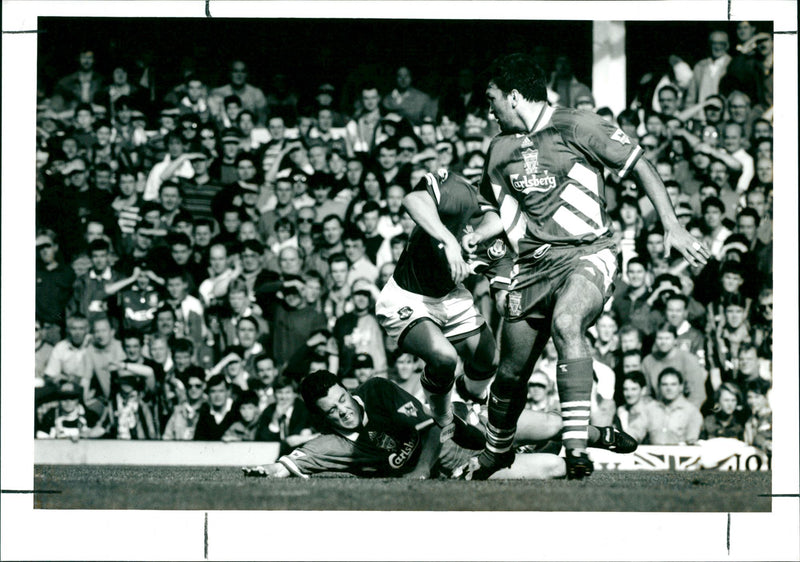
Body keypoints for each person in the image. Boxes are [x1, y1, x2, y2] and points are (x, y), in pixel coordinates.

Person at [461, 53, 709, 479]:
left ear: (515, 96)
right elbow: (496, 212)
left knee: (568, 322)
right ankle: (497, 451)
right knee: (509, 376)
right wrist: (477, 235)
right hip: (533, 266)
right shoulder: (499, 148)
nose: (489, 111)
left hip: (589, 252)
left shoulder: (579, 125)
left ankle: (577, 448)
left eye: (492, 100)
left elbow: (640, 166)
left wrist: (674, 227)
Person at [243, 370, 635, 480]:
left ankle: (598, 434)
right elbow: (298, 460)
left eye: (343, 400)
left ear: (347, 390)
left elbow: (429, 429)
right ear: (323, 416)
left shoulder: (377, 391)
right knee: (552, 468)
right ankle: (564, 459)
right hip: (462, 466)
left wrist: (418, 473)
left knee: (549, 423)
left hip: (466, 427)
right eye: (333, 410)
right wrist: (269, 469)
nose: (343, 411)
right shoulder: (336, 442)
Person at [376, 169, 506, 451]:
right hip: (408, 295)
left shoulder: (506, 236)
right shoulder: (460, 192)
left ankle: (469, 398)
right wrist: (448, 240)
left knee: (488, 360)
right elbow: (412, 200)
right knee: (445, 357)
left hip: (451, 296)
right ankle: (443, 416)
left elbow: (504, 296)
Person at [643, 367, 703, 445]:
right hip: (651, 455)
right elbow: (635, 431)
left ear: (681, 387)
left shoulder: (692, 412)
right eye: (664, 384)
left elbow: (692, 441)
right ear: (659, 387)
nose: (669, 388)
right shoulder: (649, 409)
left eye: (673, 384)